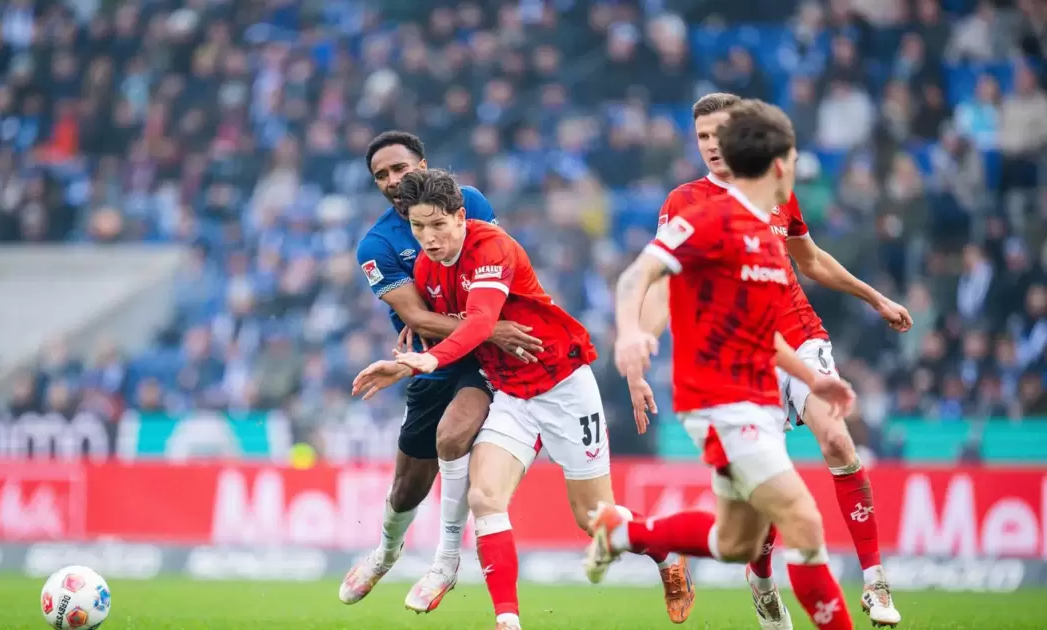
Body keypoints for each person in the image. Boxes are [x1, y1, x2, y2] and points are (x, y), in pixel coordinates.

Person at [352, 168, 696, 630]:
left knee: (593, 518)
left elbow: (480, 323)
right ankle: (507, 620)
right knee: (484, 497)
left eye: (438, 225)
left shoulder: (491, 246)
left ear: (460, 217)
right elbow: (446, 330)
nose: (429, 238)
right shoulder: (427, 268)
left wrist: (428, 361)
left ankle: (666, 550)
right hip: (511, 394)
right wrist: (407, 359)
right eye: (418, 227)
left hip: (564, 386)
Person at [629, 93, 907, 628]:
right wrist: (640, 347)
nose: (711, 145)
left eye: (719, 134)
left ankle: (875, 581)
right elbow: (660, 283)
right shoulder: (686, 202)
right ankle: (760, 581)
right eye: (701, 137)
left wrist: (875, 299)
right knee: (765, 491)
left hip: (799, 335)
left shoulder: (775, 189)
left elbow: (811, 259)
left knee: (837, 438)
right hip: (741, 358)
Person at [341, 131, 544, 613]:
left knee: (452, 436)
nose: (392, 179)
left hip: (486, 359)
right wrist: (487, 325)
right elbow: (416, 317)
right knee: (407, 486)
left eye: (399, 168)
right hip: (432, 361)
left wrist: (486, 327)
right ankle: (385, 553)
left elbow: (497, 269)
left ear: (423, 165)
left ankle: (445, 562)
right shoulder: (375, 245)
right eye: (381, 175)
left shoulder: (470, 202)